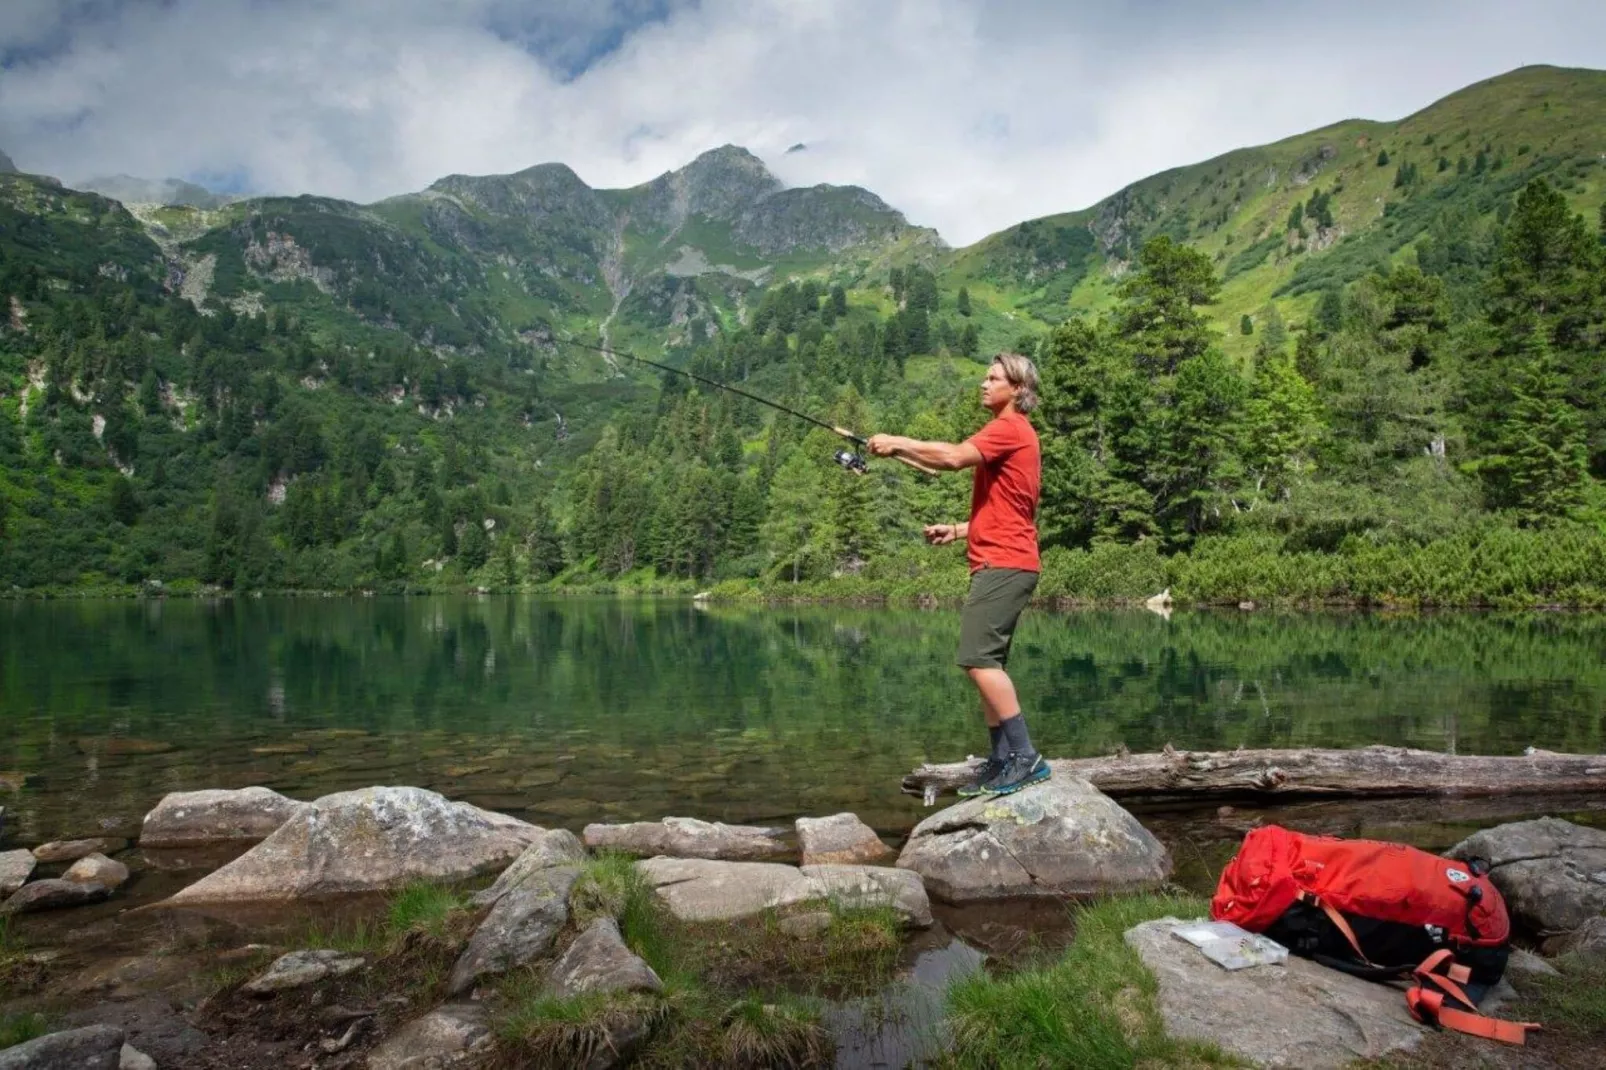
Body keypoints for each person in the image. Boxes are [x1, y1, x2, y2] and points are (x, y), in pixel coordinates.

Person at [867, 353, 1047, 796]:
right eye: (984, 378)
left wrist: (898, 439)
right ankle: (1001, 760)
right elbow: (1011, 507)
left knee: (977, 659)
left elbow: (950, 458)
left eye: (993, 379)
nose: (983, 385)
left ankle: (1026, 758)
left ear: (1018, 390)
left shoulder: (1009, 428)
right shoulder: (1014, 435)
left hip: (1004, 564)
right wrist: (959, 529)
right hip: (1005, 559)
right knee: (989, 664)